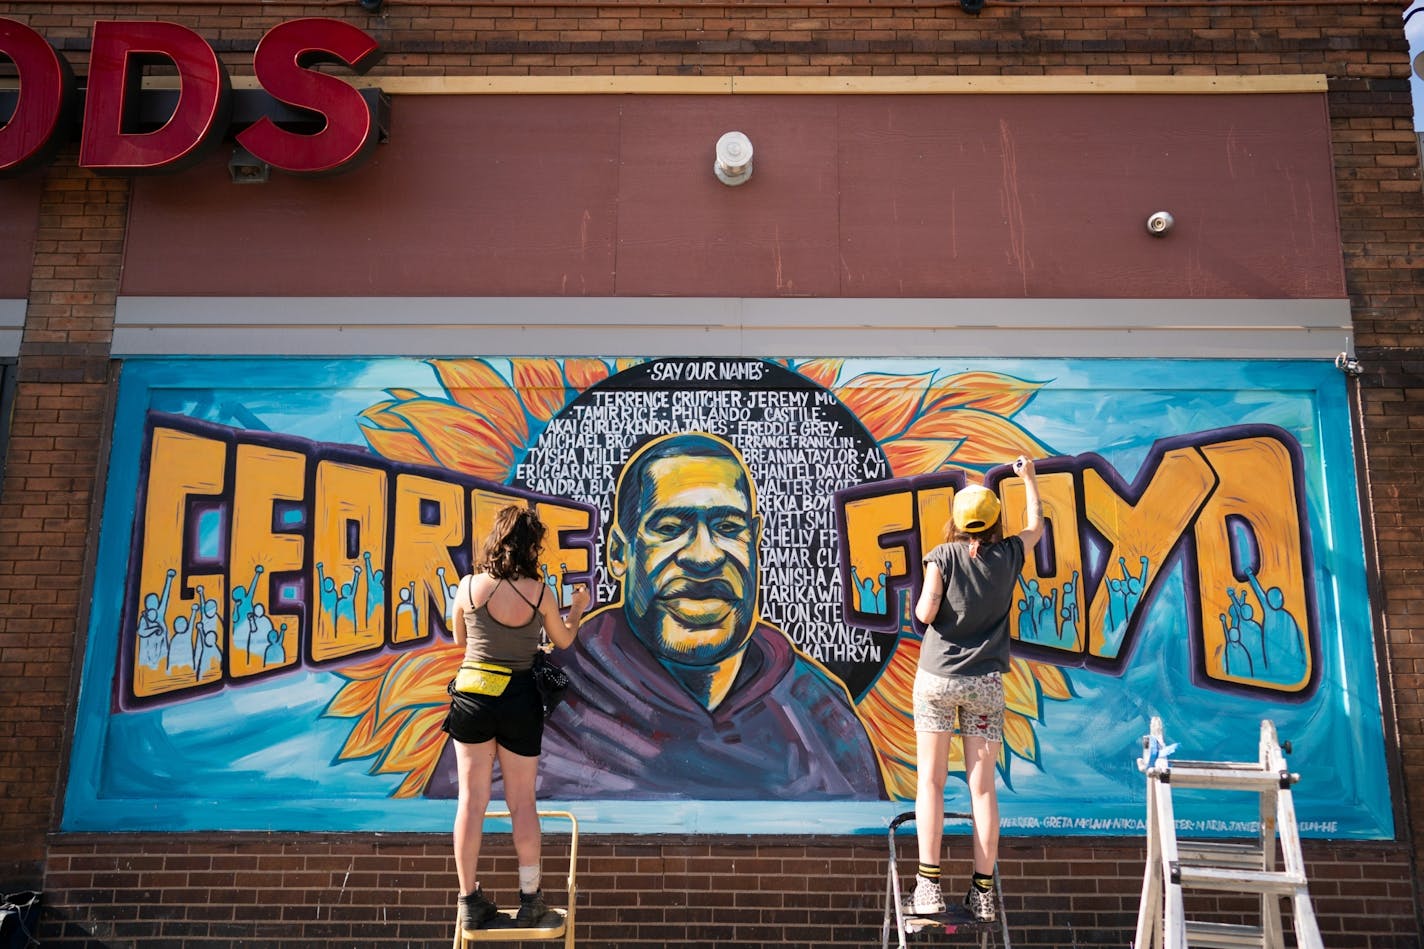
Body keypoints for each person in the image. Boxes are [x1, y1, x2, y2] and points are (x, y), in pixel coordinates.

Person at [533, 431, 884, 800]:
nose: (704, 557)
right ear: (620, 553)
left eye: (728, 528)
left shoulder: (818, 714)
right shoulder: (556, 697)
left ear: (755, 540)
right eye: (669, 528)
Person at [446, 504, 590, 934]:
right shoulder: (539, 591)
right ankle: (530, 901)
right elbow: (562, 639)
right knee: (522, 803)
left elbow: (460, 639)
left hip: (471, 696)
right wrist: (578, 607)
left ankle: (470, 900)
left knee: (471, 803)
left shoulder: (468, 586)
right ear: (531, 546)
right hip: (519, 698)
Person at [911, 456, 1042, 923]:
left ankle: (928, 887)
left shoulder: (942, 556)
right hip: (985, 683)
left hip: (937, 679)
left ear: (957, 522)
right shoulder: (1009, 555)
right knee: (982, 789)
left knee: (930, 780)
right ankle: (982, 893)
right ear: (993, 522)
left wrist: (931, 600)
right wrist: (1028, 480)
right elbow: (1036, 527)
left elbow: (926, 613)